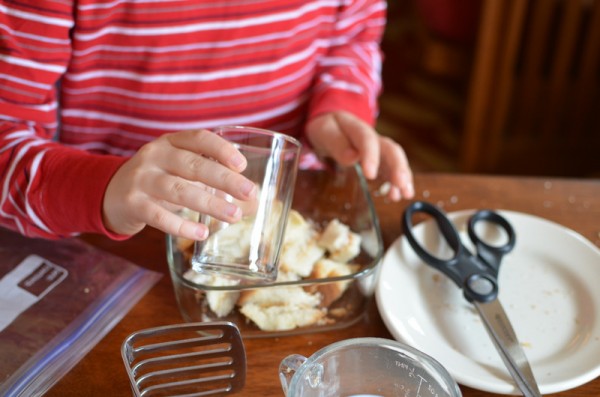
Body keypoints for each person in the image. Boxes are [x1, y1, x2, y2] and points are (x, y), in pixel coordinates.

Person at [0, 0, 414, 242]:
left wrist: (337, 107)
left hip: (286, 218)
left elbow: (353, 38)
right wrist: (106, 190)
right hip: (112, 237)